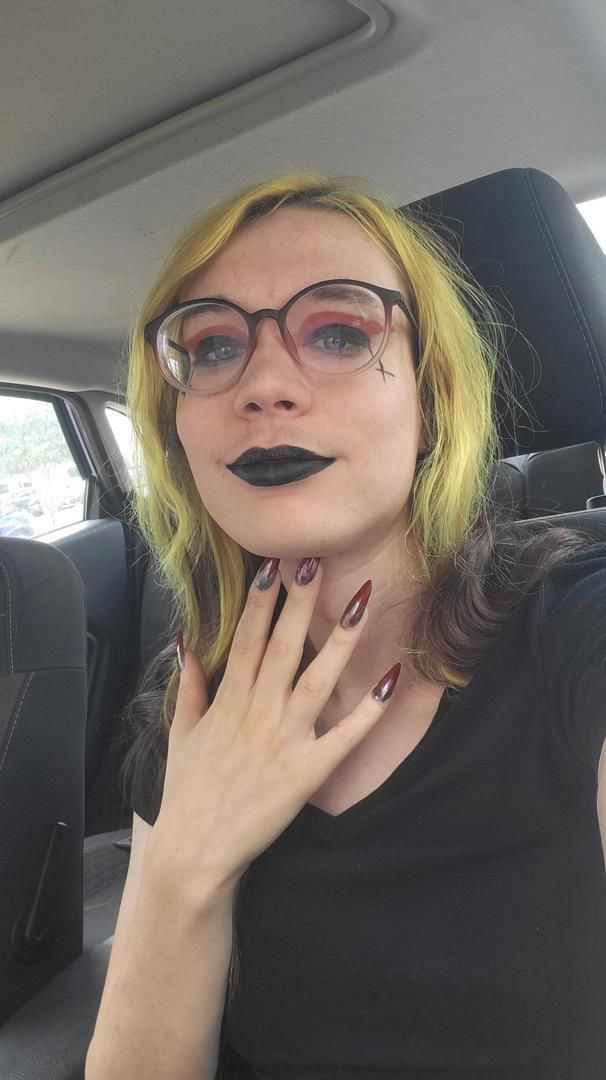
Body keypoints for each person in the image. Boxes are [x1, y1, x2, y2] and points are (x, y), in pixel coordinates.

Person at [87, 172, 606, 1079]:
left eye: (339, 332)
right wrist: (184, 873)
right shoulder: (188, 713)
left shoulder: (578, 631)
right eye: (212, 347)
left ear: (430, 400)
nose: (265, 386)